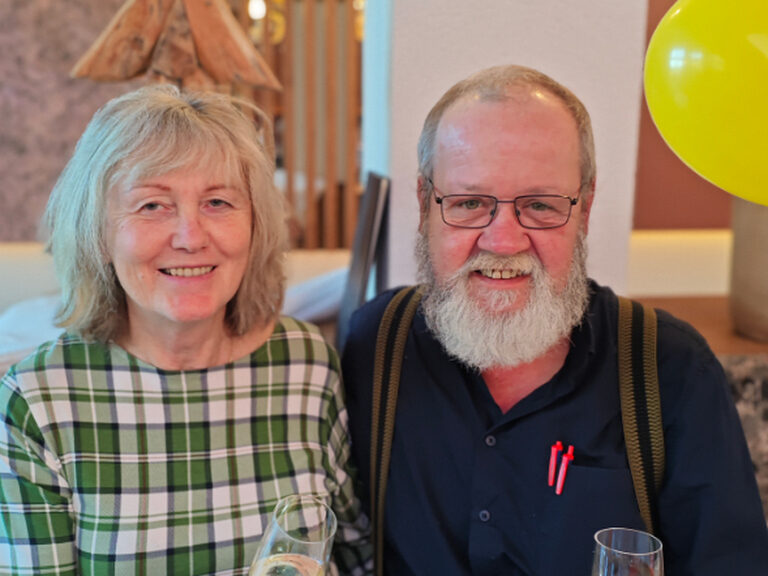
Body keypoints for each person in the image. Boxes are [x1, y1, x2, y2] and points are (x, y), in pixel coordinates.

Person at [341, 65, 768, 575]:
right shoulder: (375, 347)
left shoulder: (672, 370)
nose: (503, 241)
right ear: (423, 205)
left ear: (584, 210)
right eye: (469, 203)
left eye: (540, 205)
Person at [0, 85, 371, 575]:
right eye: (152, 206)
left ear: (255, 226)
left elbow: (357, 553)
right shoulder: (36, 400)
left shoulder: (306, 362)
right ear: (99, 234)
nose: (191, 237)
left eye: (217, 202)